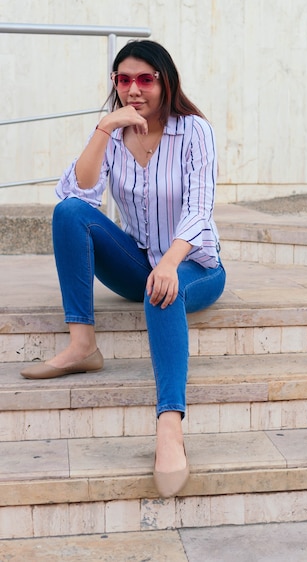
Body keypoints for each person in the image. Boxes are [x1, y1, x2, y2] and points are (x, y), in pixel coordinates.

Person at [20, 39, 226, 498]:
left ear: (165, 82)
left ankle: (169, 427)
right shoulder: (115, 134)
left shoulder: (194, 131)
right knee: (70, 213)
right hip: (139, 260)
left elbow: (199, 207)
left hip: (195, 263)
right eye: (124, 79)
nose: (134, 90)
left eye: (145, 79)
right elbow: (80, 191)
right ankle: (82, 345)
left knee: (163, 288)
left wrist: (172, 262)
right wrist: (103, 129)